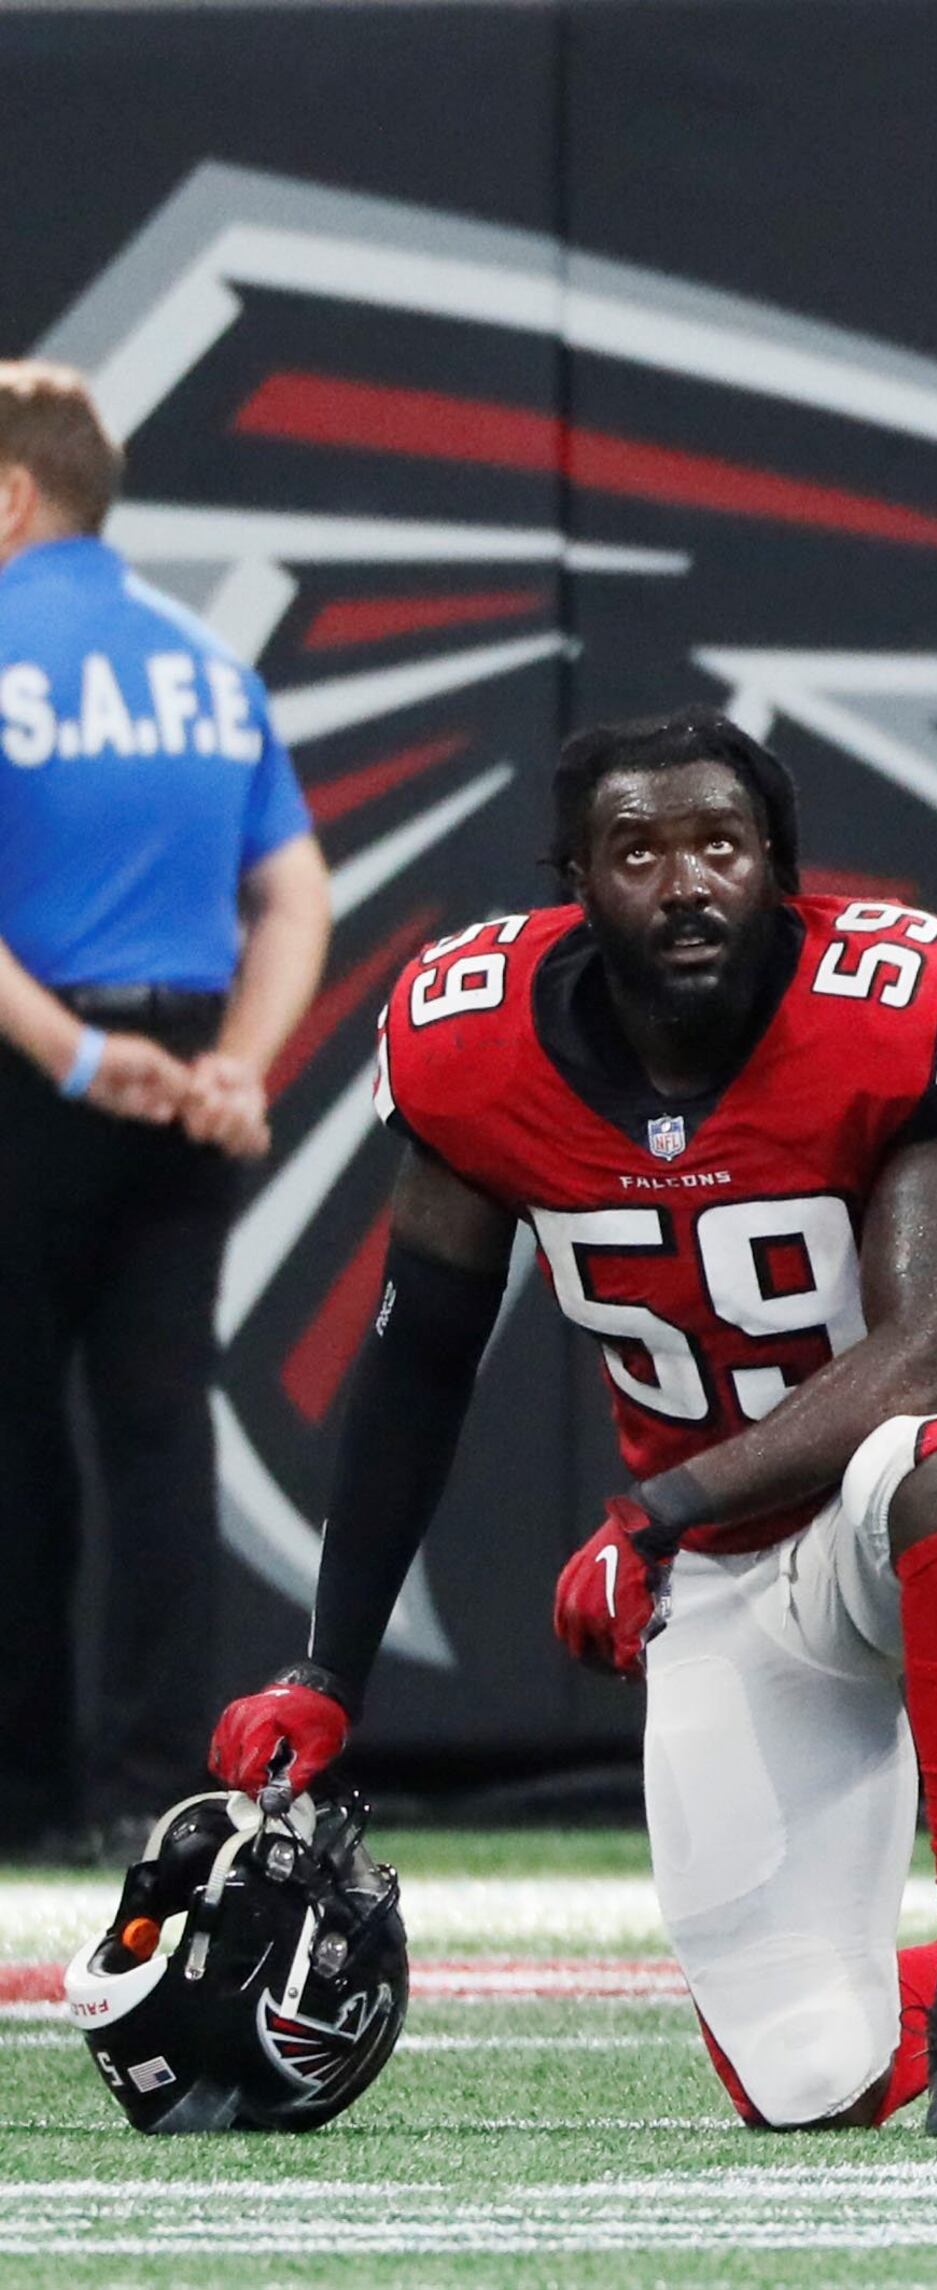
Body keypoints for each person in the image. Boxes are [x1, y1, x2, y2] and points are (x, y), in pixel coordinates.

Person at [206, 711, 937, 2135]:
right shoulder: (474, 1043)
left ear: (778, 870)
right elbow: (417, 1363)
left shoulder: (886, 1002)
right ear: (577, 874)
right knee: (808, 2078)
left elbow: (932, 1354)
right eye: (637, 849)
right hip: (740, 1570)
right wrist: (330, 1668)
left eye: (720, 844)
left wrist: (654, 1510)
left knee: (930, 1473)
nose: (685, 880)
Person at [0, 361, 330, 1861]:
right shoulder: (205, 662)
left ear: (9, 495)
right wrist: (239, 1066)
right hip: (189, 1078)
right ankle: (150, 1783)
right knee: (155, 1432)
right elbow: (292, 890)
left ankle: (23, 1789)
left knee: (16, 1436)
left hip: (32, 1068)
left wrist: (72, 1054)